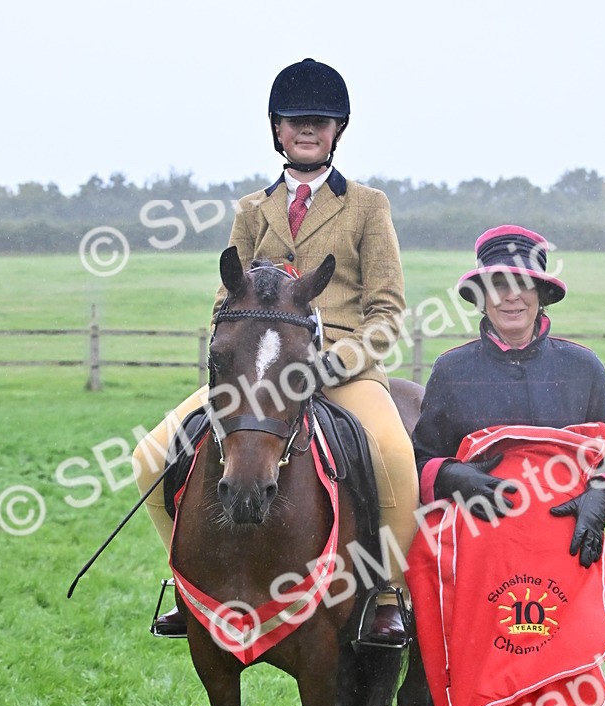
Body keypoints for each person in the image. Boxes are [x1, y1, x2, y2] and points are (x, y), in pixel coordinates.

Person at [132, 58, 419, 643]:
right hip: (256, 371)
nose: (306, 130)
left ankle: (386, 593)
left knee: (394, 456)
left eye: (319, 121)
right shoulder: (250, 210)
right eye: (294, 122)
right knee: (148, 456)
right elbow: (225, 301)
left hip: (341, 366)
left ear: (338, 130)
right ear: (277, 130)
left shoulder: (369, 206)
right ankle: (187, 590)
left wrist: (334, 363)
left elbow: (387, 313)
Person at [410, 225, 605, 706]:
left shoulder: (583, 369)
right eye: (495, 285)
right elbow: (419, 462)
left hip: (562, 574)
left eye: (521, 285)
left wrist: (601, 497)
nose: (510, 297)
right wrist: (450, 474)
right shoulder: (452, 373)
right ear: (480, 293)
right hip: (484, 580)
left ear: (540, 292)